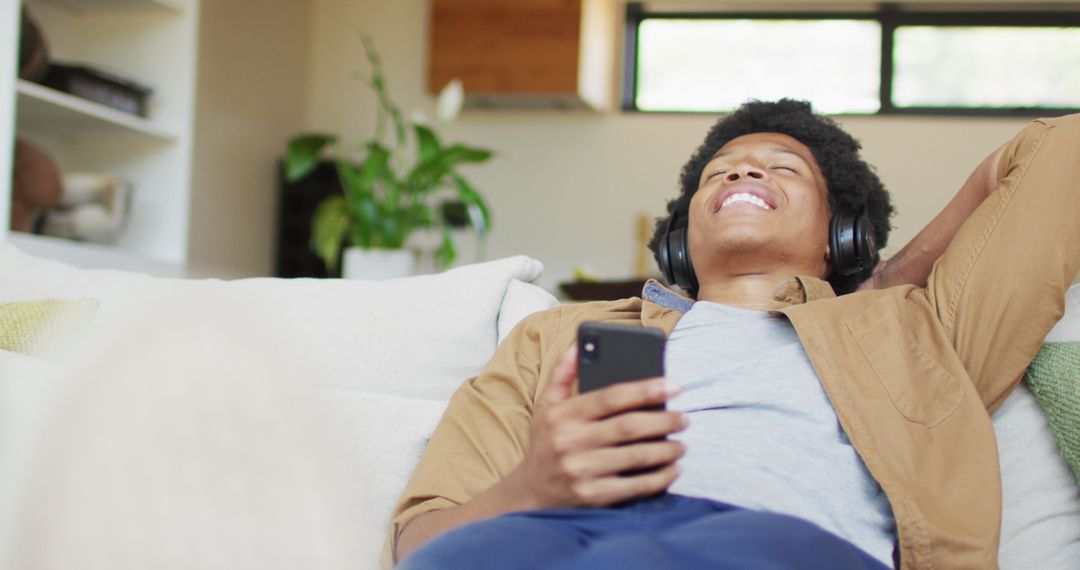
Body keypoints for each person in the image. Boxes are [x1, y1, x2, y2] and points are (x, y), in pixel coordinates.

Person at [383, 99, 1080, 570]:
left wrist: (889, 277)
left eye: (782, 168)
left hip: (771, 544)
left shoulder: (914, 331)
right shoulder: (560, 334)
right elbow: (422, 541)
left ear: (842, 231)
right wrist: (532, 489)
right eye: (720, 172)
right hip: (560, 541)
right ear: (685, 236)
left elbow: (1062, 151)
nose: (743, 169)